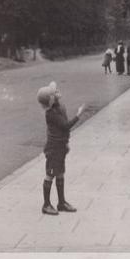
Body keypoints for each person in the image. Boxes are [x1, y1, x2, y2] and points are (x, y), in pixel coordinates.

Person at [37, 81, 84, 216]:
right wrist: (79, 115)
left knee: (60, 172)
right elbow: (65, 126)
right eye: (54, 93)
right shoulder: (51, 113)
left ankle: (61, 202)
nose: (57, 92)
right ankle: (46, 205)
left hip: (60, 147)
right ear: (50, 100)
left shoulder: (57, 107)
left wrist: (66, 143)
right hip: (53, 149)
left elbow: (63, 132)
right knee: (50, 174)